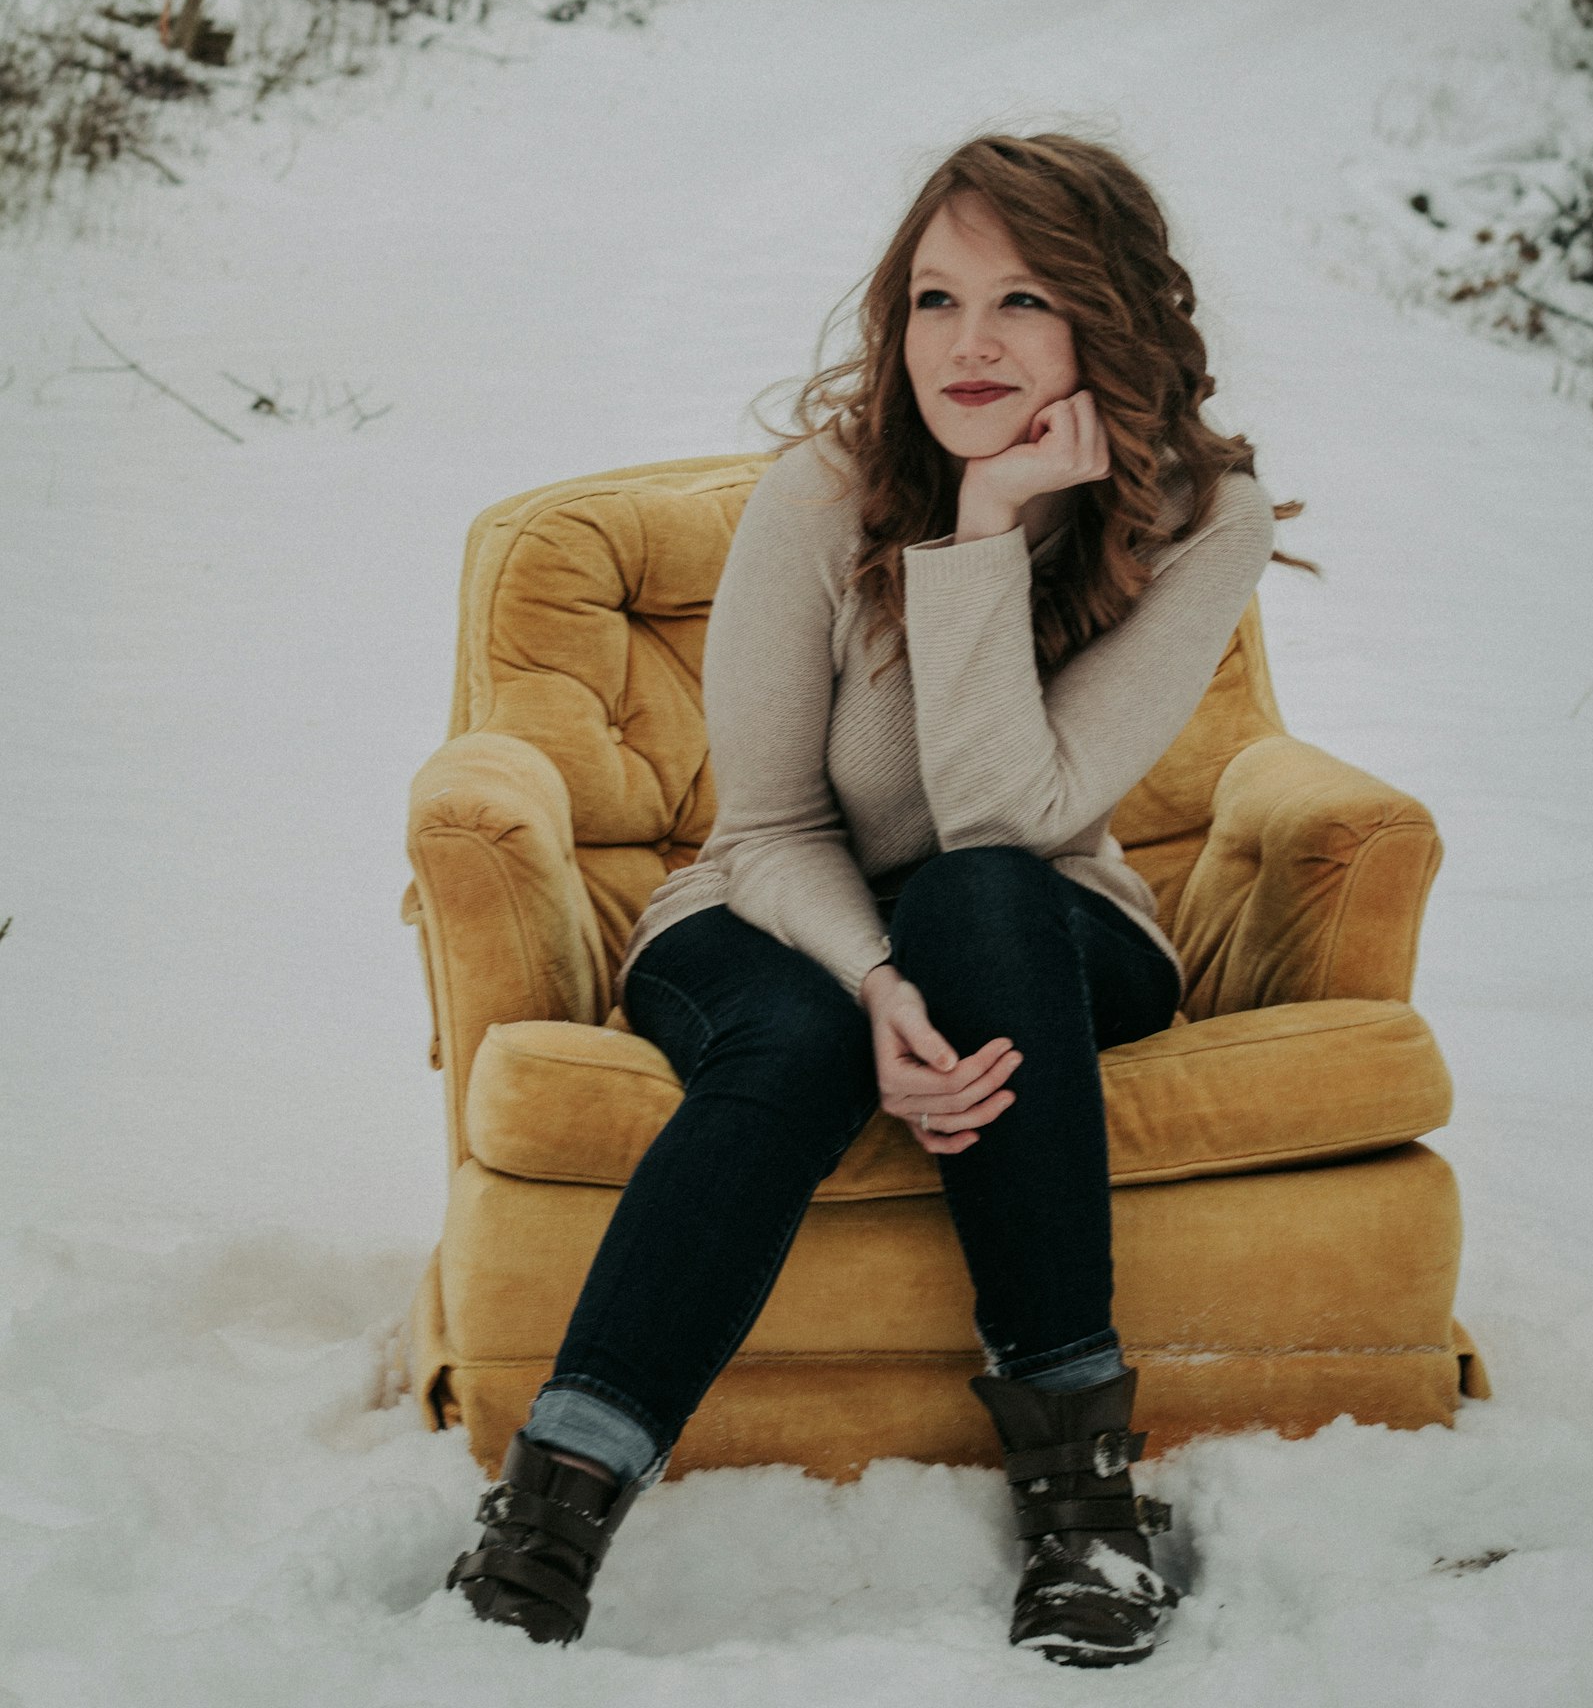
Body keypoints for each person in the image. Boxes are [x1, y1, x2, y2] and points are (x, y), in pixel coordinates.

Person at [447, 131, 1287, 1667]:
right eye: (933, 298)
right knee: (808, 1041)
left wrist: (984, 533)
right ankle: (550, 1514)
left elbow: (1010, 817)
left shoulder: (1199, 518)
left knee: (975, 896)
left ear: (1110, 319)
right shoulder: (822, 492)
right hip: (776, 909)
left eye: (1024, 300)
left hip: (1041, 916)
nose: (968, 346)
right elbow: (765, 828)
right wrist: (873, 982)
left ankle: (1085, 1508)